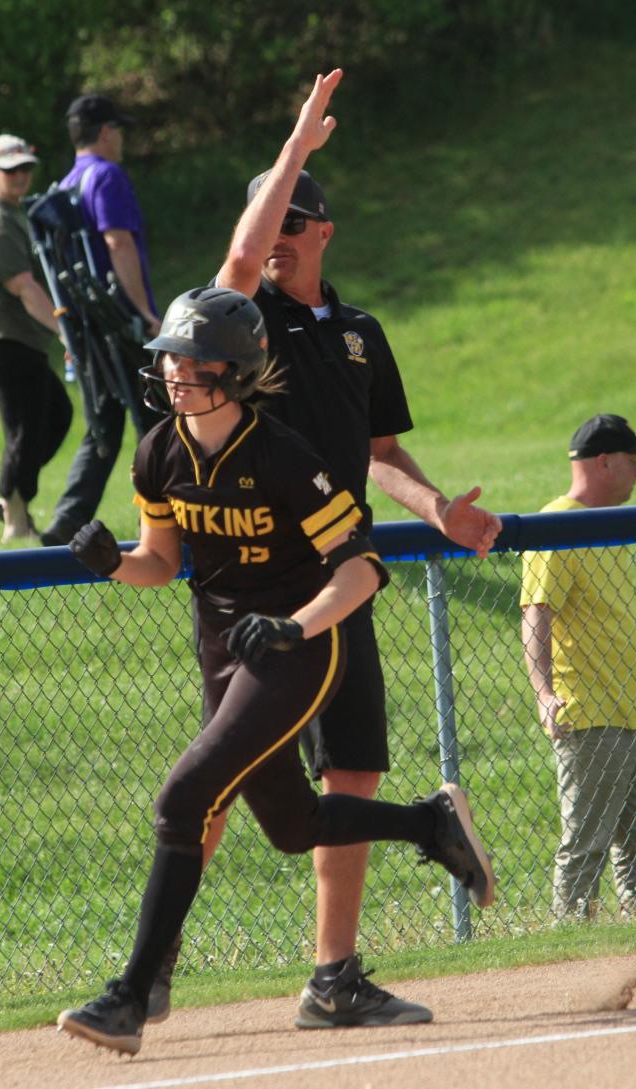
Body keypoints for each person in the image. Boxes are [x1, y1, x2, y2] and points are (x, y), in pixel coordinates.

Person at [142, 69, 502, 1031]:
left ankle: (332, 975)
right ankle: (153, 964)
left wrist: (436, 509)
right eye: (268, 217)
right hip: (249, 601)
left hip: (340, 591)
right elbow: (239, 254)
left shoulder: (355, 333)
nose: (277, 232)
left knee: (352, 774)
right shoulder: (239, 332)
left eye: (294, 215)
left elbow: (379, 453)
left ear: (325, 230)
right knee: (214, 781)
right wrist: (294, 148)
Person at [55, 286, 496, 1057]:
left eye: (191, 361)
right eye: (171, 360)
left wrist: (294, 625)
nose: (174, 372)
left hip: (297, 649)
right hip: (225, 650)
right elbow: (160, 563)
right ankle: (428, 823)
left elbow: (359, 571)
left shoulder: (283, 455)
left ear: (235, 370)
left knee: (184, 795)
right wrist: (112, 564)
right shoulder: (159, 448)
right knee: (294, 827)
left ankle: (128, 997)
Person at [519, 413, 636, 920]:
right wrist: (544, 693)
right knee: (587, 843)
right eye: (632, 462)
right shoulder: (557, 522)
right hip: (591, 712)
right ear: (603, 462)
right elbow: (536, 612)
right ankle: (571, 945)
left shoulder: (609, 525)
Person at [38, 94, 163, 547]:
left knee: (104, 424)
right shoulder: (106, 177)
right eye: (120, 130)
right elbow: (118, 244)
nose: (123, 139)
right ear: (106, 131)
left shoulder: (64, 185)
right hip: (119, 321)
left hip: (87, 325)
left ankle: (66, 524)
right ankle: (172, 520)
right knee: (159, 417)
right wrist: (143, 313)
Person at [0, 134, 72, 543]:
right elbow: (24, 288)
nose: (20, 176)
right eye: (10, 170)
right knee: (26, 429)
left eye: (26, 168)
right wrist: (65, 332)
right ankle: (15, 524)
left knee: (56, 417)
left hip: (9, 338)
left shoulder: (9, 210)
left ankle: (11, 501)